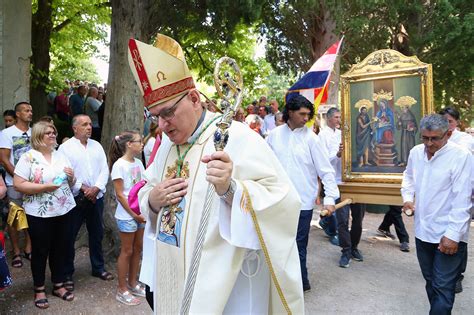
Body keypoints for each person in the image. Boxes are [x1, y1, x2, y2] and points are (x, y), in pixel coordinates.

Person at [128, 35, 303, 314]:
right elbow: (147, 191)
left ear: (195, 98)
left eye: (168, 113)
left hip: (224, 286)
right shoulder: (166, 149)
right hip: (170, 271)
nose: (161, 125)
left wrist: (231, 190)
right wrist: (153, 200)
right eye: (155, 117)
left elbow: (284, 201)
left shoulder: (239, 138)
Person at [267, 95, 339, 291]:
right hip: (277, 201)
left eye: (308, 114)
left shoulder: (312, 139)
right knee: (277, 244)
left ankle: (299, 285)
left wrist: (330, 198)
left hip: (302, 203)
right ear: (290, 112)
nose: (306, 118)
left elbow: (326, 171)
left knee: (298, 246)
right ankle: (278, 285)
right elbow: (266, 167)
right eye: (302, 114)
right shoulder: (273, 136)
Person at [401, 114, 471, 314]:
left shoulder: (461, 156)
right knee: (431, 282)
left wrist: (452, 235)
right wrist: (407, 198)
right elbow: (408, 176)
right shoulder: (416, 152)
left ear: (448, 135)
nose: (429, 144)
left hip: (448, 235)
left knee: (442, 286)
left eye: (435, 139)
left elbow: (463, 199)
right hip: (423, 231)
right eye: (425, 138)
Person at [13, 121, 76, 308]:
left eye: (53, 132)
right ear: (38, 136)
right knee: (40, 251)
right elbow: (18, 184)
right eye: (48, 132)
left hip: (64, 210)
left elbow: (71, 184)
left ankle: (58, 284)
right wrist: (45, 187)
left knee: (60, 249)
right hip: (39, 213)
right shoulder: (28, 157)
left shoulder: (61, 155)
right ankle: (39, 288)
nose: (52, 135)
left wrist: (72, 177)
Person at [58, 114, 113, 291]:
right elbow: (65, 172)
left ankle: (98, 268)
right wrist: (84, 188)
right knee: (69, 236)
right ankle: (66, 274)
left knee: (96, 234)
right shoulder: (65, 148)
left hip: (96, 198)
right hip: (76, 199)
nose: (89, 127)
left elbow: (104, 169)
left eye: (90, 124)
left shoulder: (96, 146)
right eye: (84, 125)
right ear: (75, 128)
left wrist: (96, 188)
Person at [109, 130, 146, 306]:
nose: (142, 144)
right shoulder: (119, 165)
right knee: (127, 250)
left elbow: (143, 186)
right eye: (139, 141)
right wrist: (134, 215)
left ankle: (133, 283)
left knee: (138, 248)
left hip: (140, 214)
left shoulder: (138, 162)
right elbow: (120, 194)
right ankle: (121, 289)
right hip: (127, 215)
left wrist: (142, 212)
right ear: (129, 144)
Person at [439, 106, 473, 294]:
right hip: (442, 194)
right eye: (444, 122)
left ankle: (458, 274)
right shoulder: (437, 140)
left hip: (462, 193)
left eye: (450, 122)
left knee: (460, 234)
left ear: (457, 122)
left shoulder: (466, 140)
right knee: (443, 231)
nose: (448, 126)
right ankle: (442, 268)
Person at [0, 102, 33, 268]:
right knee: (14, 218)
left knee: (31, 215)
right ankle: (16, 252)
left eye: (31, 110)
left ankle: (28, 247)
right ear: (18, 114)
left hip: (33, 183)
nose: (30, 113)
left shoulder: (35, 133)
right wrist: (19, 178)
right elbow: (4, 159)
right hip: (14, 183)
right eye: (26, 110)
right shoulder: (6, 133)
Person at [317, 107, 342, 246]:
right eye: (336, 117)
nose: (338, 120)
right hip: (329, 173)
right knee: (331, 201)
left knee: (338, 204)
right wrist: (337, 155)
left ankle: (325, 221)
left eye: (339, 117)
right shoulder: (323, 135)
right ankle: (333, 232)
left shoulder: (340, 133)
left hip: (340, 173)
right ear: (329, 118)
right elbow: (323, 158)